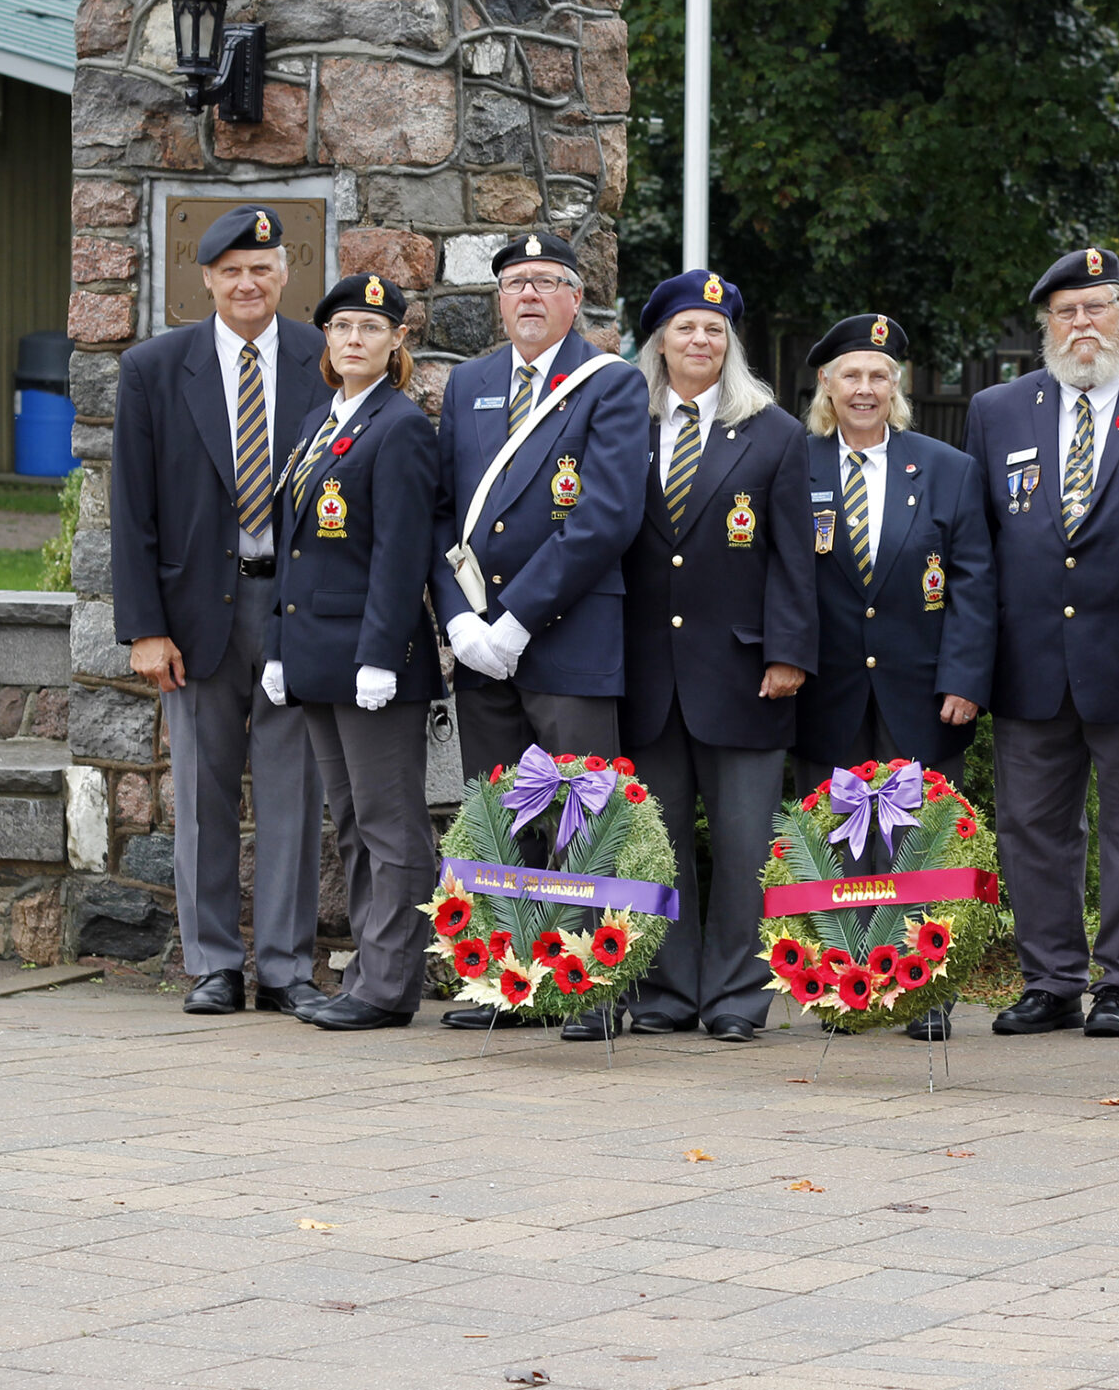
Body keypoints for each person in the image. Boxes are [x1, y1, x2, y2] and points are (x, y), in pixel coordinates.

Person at [428, 229, 649, 1038]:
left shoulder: (609, 384)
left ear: (574, 298)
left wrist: (518, 618)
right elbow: (443, 511)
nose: (528, 295)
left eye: (546, 282)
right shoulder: (470, 385)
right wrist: (459, 618)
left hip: (568, 635)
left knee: (581, 815)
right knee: (501, 813)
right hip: (482, 644)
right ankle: (514, 979)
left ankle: (591, 980)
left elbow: (606, 516)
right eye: (515, 282)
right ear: (499, 299)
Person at [109, 204, 328, 1019]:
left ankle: (285, 966)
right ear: (205, 280)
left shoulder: (323, 359)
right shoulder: (156, 369)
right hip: (195, 611)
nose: (247, 283)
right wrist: (145, 627)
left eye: (262, 270)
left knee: (292, 790)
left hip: (296, 607)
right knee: (202, 794)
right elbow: (130, 513)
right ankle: (213, 965)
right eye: (231, 270)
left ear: (283, 277)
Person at [964, 249, 1119, 1041]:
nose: (1082, 325)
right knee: (1031, 829)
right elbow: (978, 550)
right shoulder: (998, 409)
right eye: (1066, 312)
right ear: (1047, 326)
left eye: (1097, 307)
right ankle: (1051, 980)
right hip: (1031, 664)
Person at [620, 271, 817, 1043]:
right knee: (657, 846)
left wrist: (789, 652)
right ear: (659, 340)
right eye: (684, 328)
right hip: (644, 673)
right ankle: (665, 994)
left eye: (713, 330)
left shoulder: (772, 432)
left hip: (744, 674)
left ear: (730, 343)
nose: (698, 342)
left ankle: (738, 996)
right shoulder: (622, 421)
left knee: (743, 849)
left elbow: (796, 558)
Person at [797, 312, 995, 1040]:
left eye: (879, 376)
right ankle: (848, 985)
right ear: (827, 383)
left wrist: (966, 678)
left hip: (923, 688)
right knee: (837, 841)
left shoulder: (946, 468)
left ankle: (926, 988)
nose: (865, 388)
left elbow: (974, 584)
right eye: (851, 374)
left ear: (897, 386)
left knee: (927, 842)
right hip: (829, 690)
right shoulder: (797, 462)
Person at [259, 273, 444, 1031]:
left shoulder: (399, 426)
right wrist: (277, 646)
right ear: (326, 341)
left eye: (372, 328)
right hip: (317, 656)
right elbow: (292, 551)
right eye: (342, 328)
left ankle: (390, 983)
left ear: (397, 340)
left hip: (373, 664)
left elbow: (402, 555)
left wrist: (383, 653)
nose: (355, 340)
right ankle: (370, 970)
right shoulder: (318, 421)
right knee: (351, 825)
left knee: (390, 824)